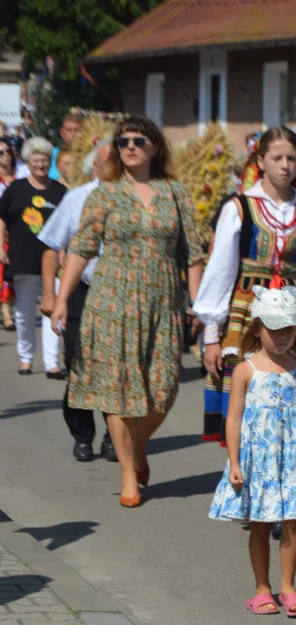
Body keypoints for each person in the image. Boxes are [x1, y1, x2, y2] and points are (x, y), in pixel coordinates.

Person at [52, 115, 206, 508]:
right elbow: (81, 248)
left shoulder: (175, 193)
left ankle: (137, 447)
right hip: (111, 302)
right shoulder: (104, 194)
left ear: (155, 146)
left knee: (164, 389)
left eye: (139, 140)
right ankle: (127, 475)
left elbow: (194, 255)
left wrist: (199, 306)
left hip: (162, 303)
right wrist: (62, 299)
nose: (130, 146)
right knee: (117, 393)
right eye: (123, 141)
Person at [194, 127, 296, 443]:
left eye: (292, 158)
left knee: (295, 396)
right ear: (260, 161)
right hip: (249, 312)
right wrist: (213, 335)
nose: (285, 165)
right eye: (277, 158)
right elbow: (220, 272)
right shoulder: (239, 208)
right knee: (247, 406)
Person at [208, 286, 296, 618]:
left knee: (293, 522)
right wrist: (234, 462)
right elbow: (233, 418)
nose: (282, 337)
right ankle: (262, 588)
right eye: (274, 329)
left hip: (294, 455)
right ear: (257, 329)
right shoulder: (245, 370)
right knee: (261, 524)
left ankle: (289, 586)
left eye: (288, 330)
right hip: (259, 459)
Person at [39, 138, 115, 462]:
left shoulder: (140, 197)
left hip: (120, 293)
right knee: (79, 363)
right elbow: (51, 246)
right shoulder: (77, 198)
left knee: (118, 367)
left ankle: (115, 436)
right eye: (109, 160)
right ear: (94, 167)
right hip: (81, 289)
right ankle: (82, 434)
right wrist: (52, 294)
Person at [0, 136, 66, 376]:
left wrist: (65, 253)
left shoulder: (60, 191)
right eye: (36, 160)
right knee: (25, 311)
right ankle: (26, 357)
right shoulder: (15, 189)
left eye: (45, 160)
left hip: (55, 259)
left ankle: (52, 362)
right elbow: (2, 218)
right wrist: (0, 248)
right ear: (27, 162)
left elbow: (69, 226)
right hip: (22, 257)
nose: (41, 165)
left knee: (53, 310)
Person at [0, 137, 18, 331]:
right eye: (1, 152)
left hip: (16, 233)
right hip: (0, 233)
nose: (5, 156)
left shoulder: (20, 175)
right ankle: (7, 316)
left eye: (7, 151)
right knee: (2, 275)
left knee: (13, 275)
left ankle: (9, 311)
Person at [49, 113, 80, 182]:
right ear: (62, 132)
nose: (73, 134)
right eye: (69, 130)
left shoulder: (88, 155)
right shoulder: (51, 154)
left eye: (76, 130)